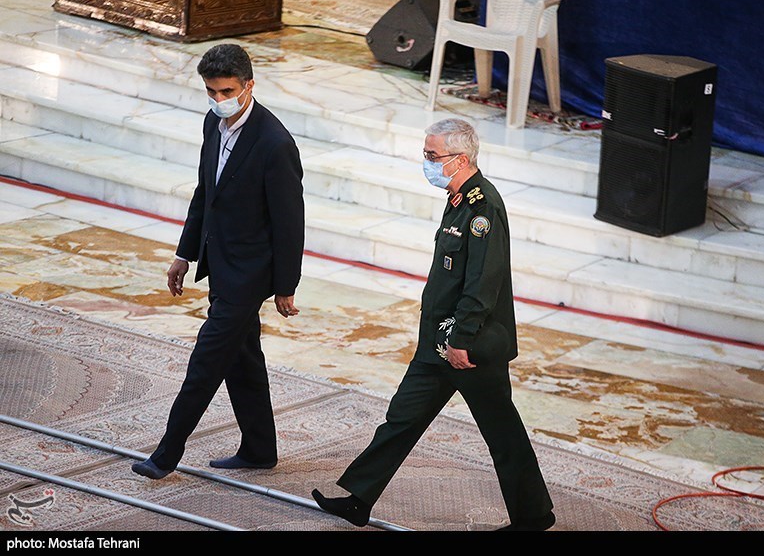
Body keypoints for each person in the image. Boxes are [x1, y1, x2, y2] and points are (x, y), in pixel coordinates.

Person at [311, 118, 555, 531]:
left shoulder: (483, 208)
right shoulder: (457, 199)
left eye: (432, 155)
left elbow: (483, 282)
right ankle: (358, 500)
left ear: (460, 159)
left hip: (468, 346)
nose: (426, 162)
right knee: (401, 418)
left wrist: (461, 339)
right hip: (438, 341)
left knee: (502, 433)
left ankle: (534, 516)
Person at [132, 43, 304, 480]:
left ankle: (167, 453)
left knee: (206, 362)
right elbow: (204, 193)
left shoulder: (275, 143)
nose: (218, 99)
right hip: (220, 262)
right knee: (244, 359)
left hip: (250, 274)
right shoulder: (214, 122)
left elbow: (289, 222)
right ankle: (260, 449)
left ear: (249, 85)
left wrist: (286, 286)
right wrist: (184, 254)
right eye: (211, 91)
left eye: (226, 91)